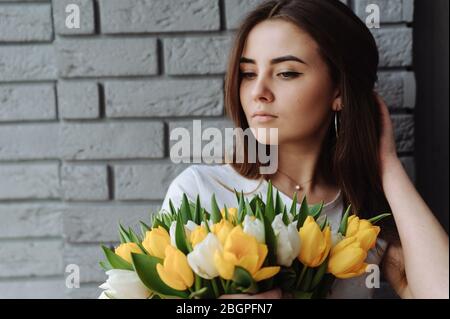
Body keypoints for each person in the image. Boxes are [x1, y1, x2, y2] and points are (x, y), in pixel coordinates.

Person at [161, 0, 449, 298]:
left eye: (286, 73)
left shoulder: (365, 210)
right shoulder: (201, 192)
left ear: (339, 91)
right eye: (248, 74)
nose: (258, 92)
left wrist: (387, 164)